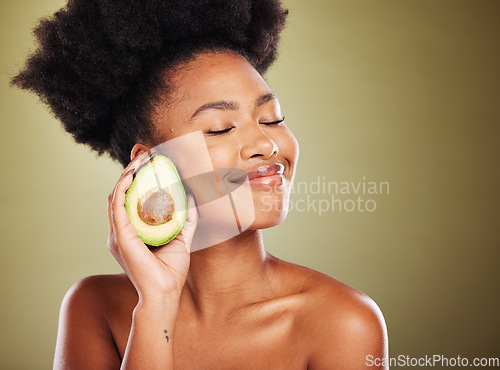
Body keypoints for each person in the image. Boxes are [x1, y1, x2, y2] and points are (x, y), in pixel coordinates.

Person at [11, 0, 388, 368]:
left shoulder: (342, 321)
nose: (266, 144)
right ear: (150, 162)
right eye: (221, 128)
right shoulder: (94, 307)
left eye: (272, 118)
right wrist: (156, 303)